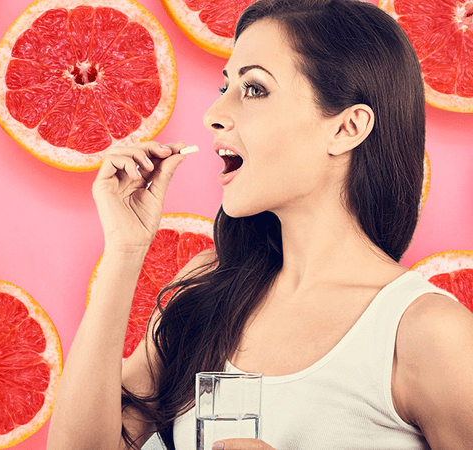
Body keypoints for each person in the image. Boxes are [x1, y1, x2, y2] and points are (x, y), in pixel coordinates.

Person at [46, 0, 473, 449]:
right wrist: (124, 251)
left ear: (347, 128)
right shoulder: (206, 288)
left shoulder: (428, 334)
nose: (214, 113)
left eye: (254, 89)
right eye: (224, 85)